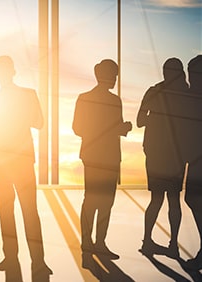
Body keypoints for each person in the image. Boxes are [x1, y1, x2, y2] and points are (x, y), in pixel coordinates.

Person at [0, 55, 52, 282]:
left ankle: (27, 259)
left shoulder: (0, 99)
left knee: (20, 212)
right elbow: (38, 123)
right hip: (13, 163)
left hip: (12, 163)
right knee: (23, 212)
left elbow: (38, 123)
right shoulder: (25, 96)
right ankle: (31, 259)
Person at [72, 59, 132, 266]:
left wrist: (120, 128)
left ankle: (96, 242)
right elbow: (78, 127)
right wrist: (115, 129)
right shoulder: (91, 99)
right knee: (95, 201)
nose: (115, 79)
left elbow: (79, 128)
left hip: (103, 156)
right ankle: (91, 242)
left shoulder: (111, 100)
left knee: (102, 202)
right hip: (101, 157)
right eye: (113, 75)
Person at [137, 58, 187, 258]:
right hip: (174, 155)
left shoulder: (153, 91)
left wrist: (157, 118)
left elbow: (140, 121)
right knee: (173, 201)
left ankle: (147, 240)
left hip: (157, 154)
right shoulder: (185, 94)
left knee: (156, 199)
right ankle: (172, 244)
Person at [182, 55, 202, 269]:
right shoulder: (191, 95)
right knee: (193, 199)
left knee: (193, 199)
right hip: (195, 159)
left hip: (198, 160)